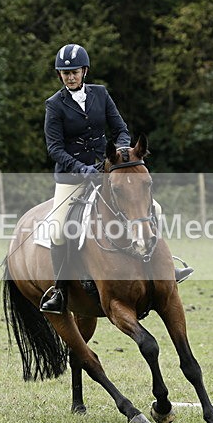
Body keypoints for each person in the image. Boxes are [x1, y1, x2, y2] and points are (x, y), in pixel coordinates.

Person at [40, 43, 193, 314]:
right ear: (60, 76)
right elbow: (55, 148)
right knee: (57, 228)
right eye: (65, 73)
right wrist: (80, 167)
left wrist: (122, 153)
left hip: (107, 173)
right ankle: (60, 291)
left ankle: (166, 267)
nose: (70, 77)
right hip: (72, 179)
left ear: (84, 71)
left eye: (74, 72)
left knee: (154, 208)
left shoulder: (100, 94)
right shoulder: (54, 105)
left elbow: (120, 129)